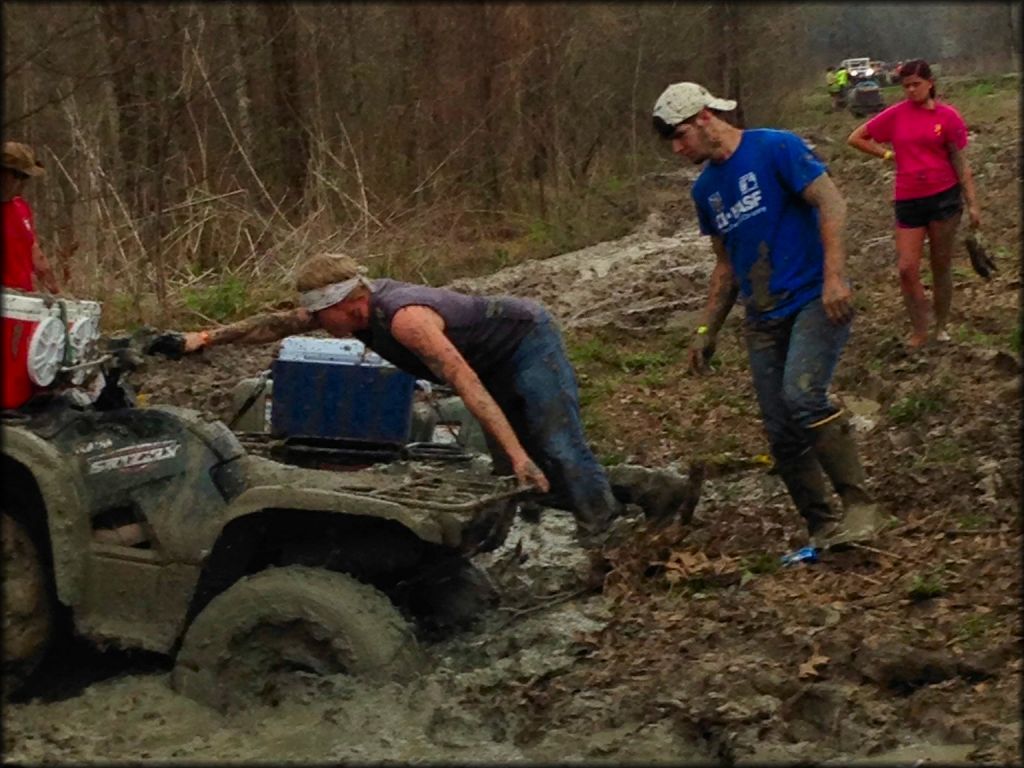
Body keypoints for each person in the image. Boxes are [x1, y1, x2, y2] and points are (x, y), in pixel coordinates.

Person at [155, 253, 699, 545]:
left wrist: (517, 450)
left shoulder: (408, 320)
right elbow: (272, 325)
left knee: (555, 445)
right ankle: (652, 489)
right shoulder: (351, 314)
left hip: (527, 344)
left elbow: (466, 383)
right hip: (489, 363)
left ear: (348, 304)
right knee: (520, 484)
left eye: (323, 320)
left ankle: (603, 536)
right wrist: (203, 338)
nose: (320, 329)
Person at [651, 81, 882, 548]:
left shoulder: (776, 146)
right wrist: (704, 330)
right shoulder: (706, 191)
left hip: (814, 298)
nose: (677, 149)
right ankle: (820, 524)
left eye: (680, 136)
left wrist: (835, 276)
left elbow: (832, 203)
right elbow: (724, 265)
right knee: (779, 428)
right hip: (761, 316)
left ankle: (860, 506)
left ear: (703, 119)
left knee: (803, 398)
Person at [847, 59, 980, 349]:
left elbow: (960, 160)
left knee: (940, 265)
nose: (910, 90)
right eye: (905, 86)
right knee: (907, 268)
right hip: (908, 198)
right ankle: (920, 329)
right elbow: (856, 138)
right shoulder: (896, 115)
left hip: (944, 197)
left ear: (930, 83)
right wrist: (886, 155)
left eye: (916, 84)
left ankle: (941, 327)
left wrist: (972, 204)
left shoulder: (948, 117)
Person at [2, 141, 60, 293]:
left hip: (23, 305)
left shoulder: (21, 208)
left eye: (26, 177)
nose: (22, 183)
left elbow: (33, 248)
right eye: (18, 175)